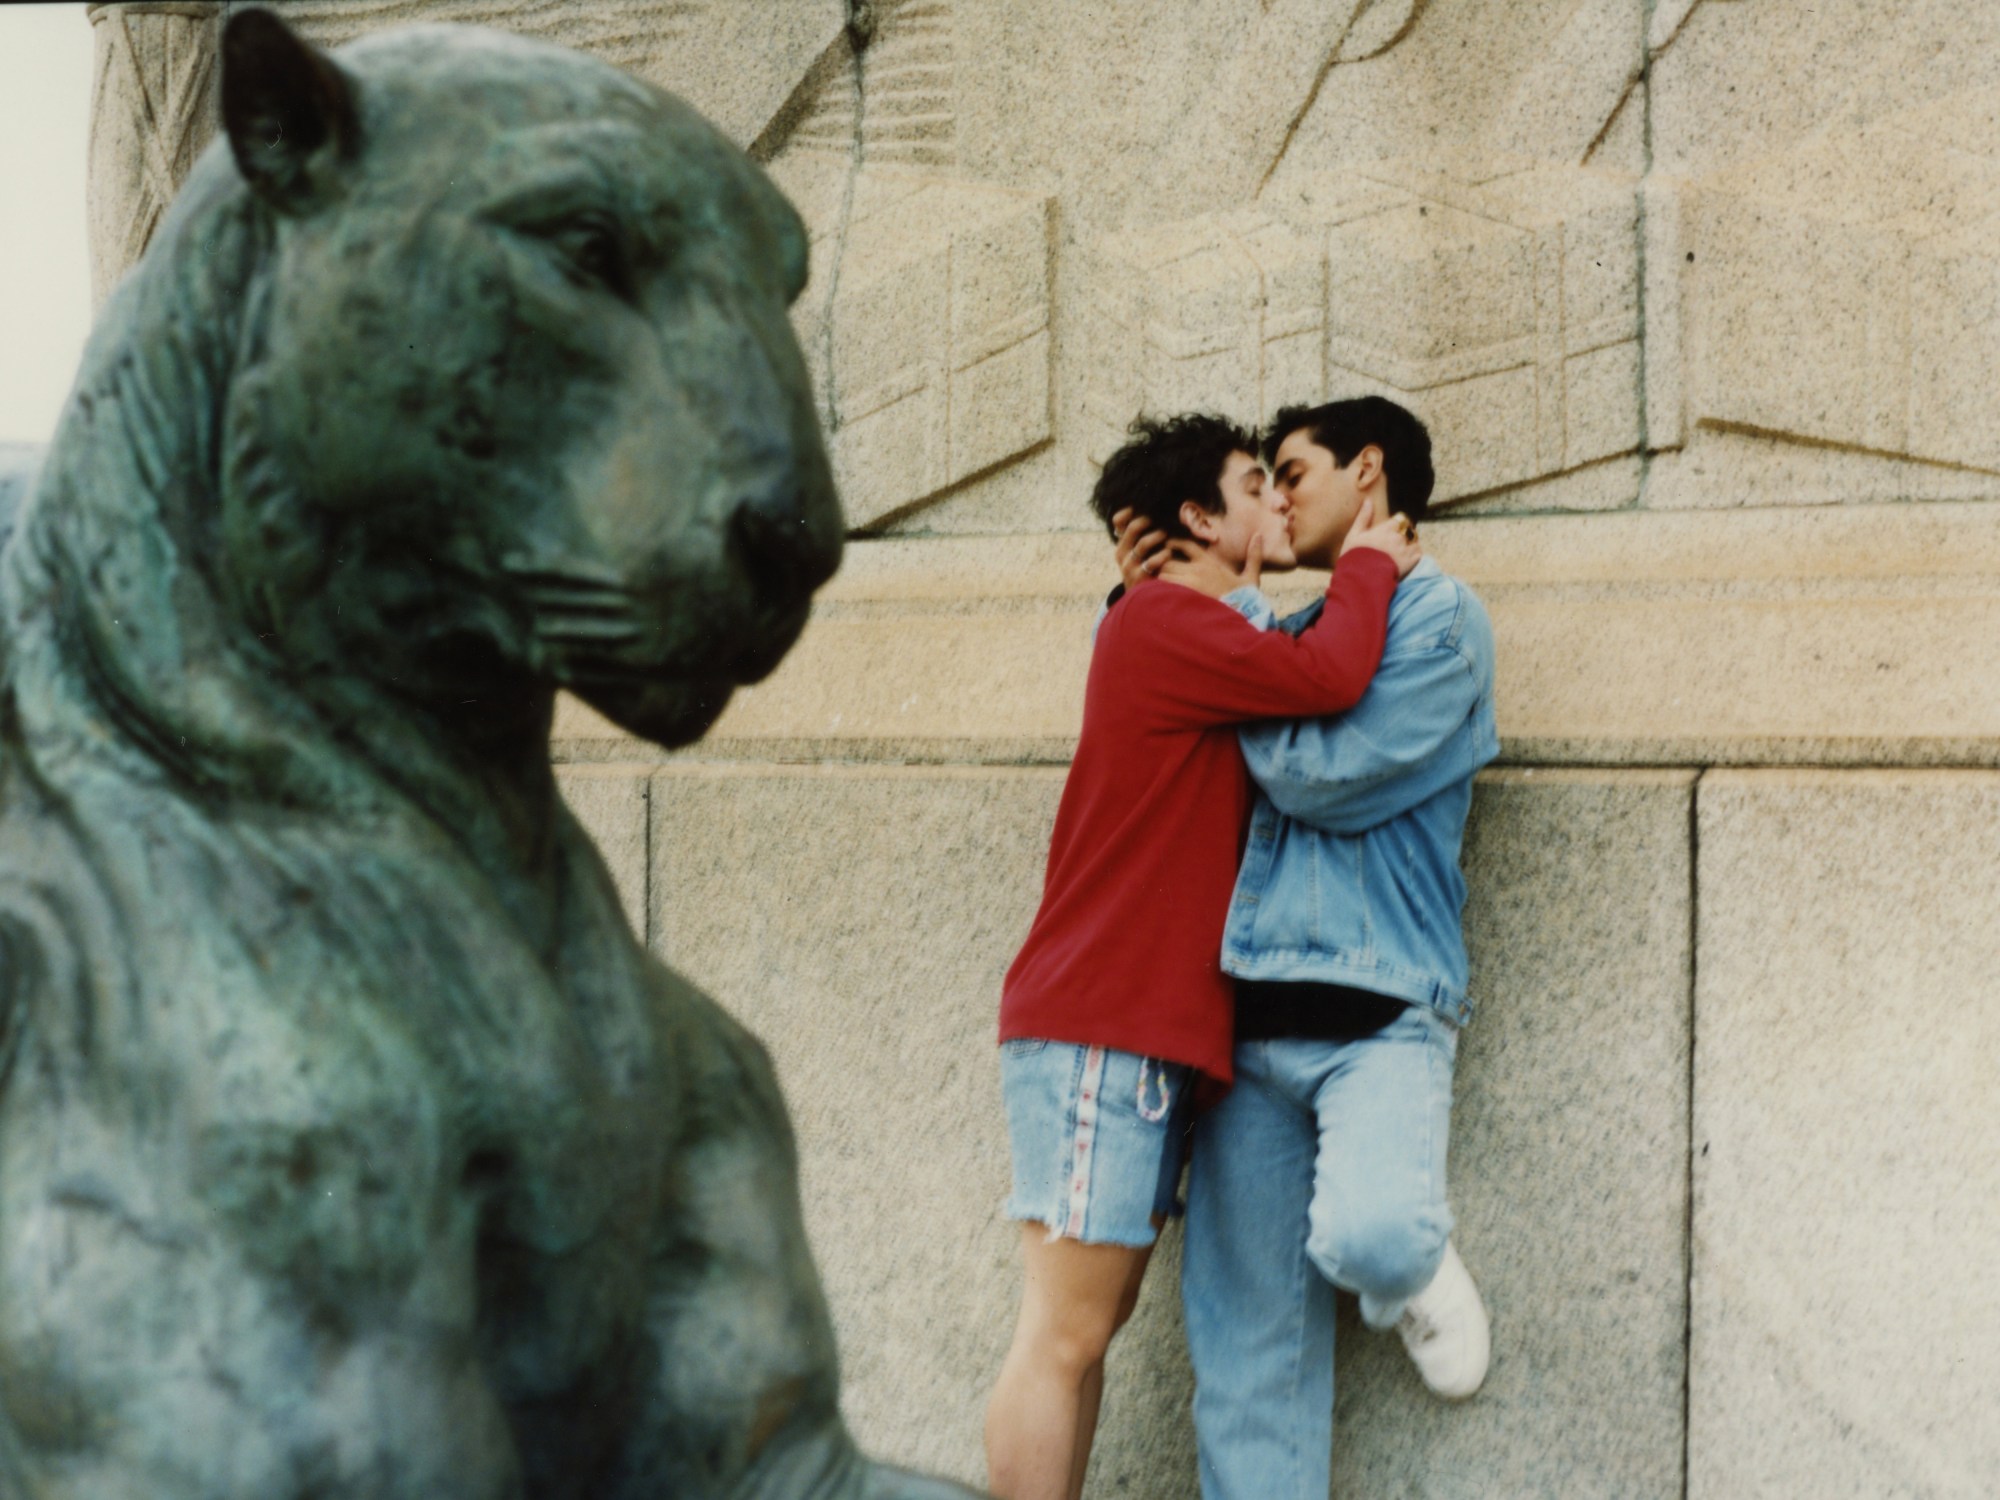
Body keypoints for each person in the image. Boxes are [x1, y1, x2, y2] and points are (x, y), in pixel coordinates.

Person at [984, 413, 1423, 1500]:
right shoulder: (1167, 624)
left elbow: (1264, 654)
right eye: (1251, 484)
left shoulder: (1172, 624)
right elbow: (1325, 674)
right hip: (1102, 1027)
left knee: (1085, 1328)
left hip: (1127, 1032)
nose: (1277, 501)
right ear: (1196, 517)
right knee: (1062, 1334)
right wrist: (1366, 565)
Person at [1116, 395, 1499, 1500]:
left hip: (1378, 1013)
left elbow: (1317, 777)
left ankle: (1411, 1272)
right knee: (1244, 1371)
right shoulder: (1280, 636)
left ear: (1366, 468)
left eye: (1291, 471)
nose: (1275, 499)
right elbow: (1135, 695)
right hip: (1243, 1034)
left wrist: (1228, 636)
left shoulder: (1438, 620)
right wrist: (1153, 594)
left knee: (1376, 1233)